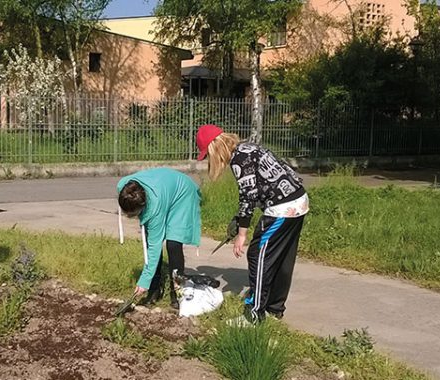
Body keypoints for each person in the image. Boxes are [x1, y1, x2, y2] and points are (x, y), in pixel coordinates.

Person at [196, 124, 309, 322]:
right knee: (283, 257)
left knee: (258, 254)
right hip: (298, 200)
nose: (209, 160)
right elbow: (268, 180)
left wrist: (242, 235)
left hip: (282, 209)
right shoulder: (248, 148)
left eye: (207, 155)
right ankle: (275, 309)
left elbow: (248, 196)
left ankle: (253, 316)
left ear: (215, 148)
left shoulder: (238, 159)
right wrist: (239, 219)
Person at [117, 168, 201, 309]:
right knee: (151, 239)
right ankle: (155, 289)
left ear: (143, 206)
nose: (130, 217)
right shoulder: (124, 188)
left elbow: (154, 248)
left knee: (173, 243)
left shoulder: (154, 207)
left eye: (134, 214)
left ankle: (177, 292)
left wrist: (143, 280)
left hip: (182, 193)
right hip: (164, 188)